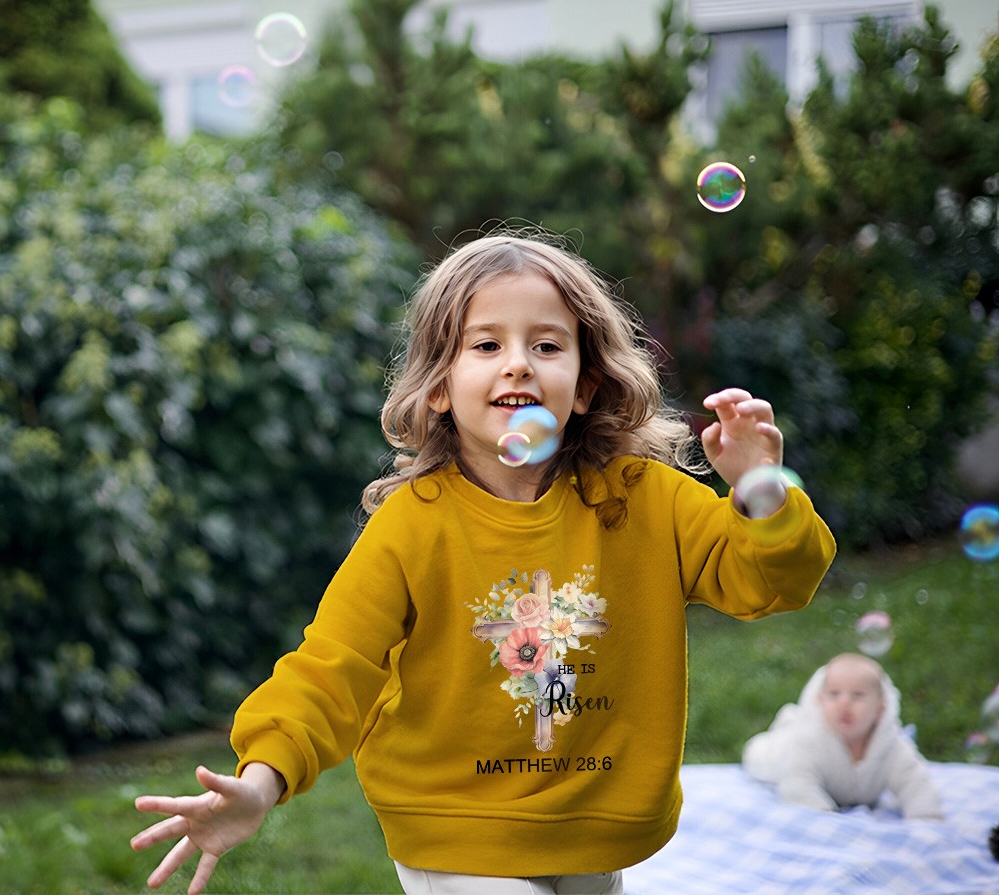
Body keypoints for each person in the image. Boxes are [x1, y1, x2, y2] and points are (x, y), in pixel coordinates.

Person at [130, 231, 837, 895]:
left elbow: (769, 584)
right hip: (454, 825)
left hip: (599, 828)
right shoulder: (415, 525)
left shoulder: (643, 500)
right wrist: (260, 781)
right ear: (438, 385)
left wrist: (758, 489)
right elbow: (332, 669)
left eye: (548, 345)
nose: (518, 362)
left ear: (586, 384)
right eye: (487, 343)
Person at [742, 652, 943, 819]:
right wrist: (824, 816)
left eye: (857, 695)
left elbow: (915, 783)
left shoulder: (892, 747)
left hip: (842, 788)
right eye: (834, 694)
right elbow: (797, 783)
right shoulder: (808, 741)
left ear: (881, 708)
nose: (844, 703)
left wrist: (927, 818)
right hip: (778, 754)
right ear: (819, 700)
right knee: (761, 754)